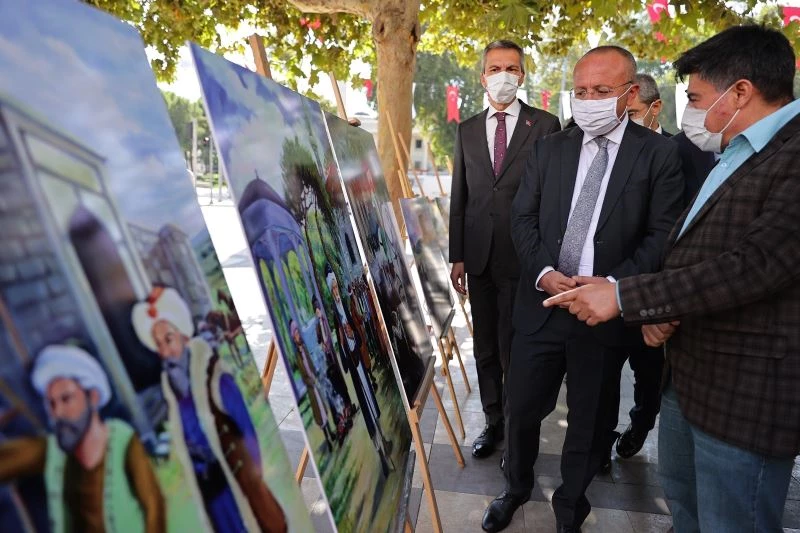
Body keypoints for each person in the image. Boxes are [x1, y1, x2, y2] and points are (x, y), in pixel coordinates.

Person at [543, 26, 800, 533]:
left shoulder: (791, 155)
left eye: (697, 99)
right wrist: (665, 310)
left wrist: (626, 296)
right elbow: (694, 245)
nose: (692, 113)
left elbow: (752, 265)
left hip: (744, 392)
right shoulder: (738, 150)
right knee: (687, 509)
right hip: (689, 374)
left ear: (740, 92)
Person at [482, 45, 683, 533]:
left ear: (629, 94)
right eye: (581, 91)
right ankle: (515, 487)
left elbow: (662, 234)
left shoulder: (658, 154)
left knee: (589, 423)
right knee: (520, 408)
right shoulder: (550, 148)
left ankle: (571, 506)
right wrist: (543, 271)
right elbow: (522, 218)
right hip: (543, 303)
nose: (588, 100)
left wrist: (612, 288)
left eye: (601, 91)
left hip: (602, 315)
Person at [449, 39, 561, 461]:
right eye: (495, 68)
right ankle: (493, 420)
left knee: (517, 347)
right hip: (478, 256)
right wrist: (457, 255)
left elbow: (554, 197)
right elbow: (460, 198)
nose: (503, 76)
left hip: (525, 257)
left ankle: (518, 424)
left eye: (511, 68)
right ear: (482, 77)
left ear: (522, 75)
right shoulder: (466, 129)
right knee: (485, 347)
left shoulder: (545, 125)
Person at [132, 286, 287, 533]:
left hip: (236, 489)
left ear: (183, 336)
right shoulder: (172, 392)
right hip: (211, 498)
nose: (165, 351)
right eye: (158, 344)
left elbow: (247, 432)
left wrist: (250, 480)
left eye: (168, 340)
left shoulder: (216, 378)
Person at [0, 344, 166, 533]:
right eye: (52, 404)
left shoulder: (123, 441)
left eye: (66, 399)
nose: (58, 413)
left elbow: (153, 507)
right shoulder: (54, 450)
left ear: (92, 397)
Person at [611, 73, 675, 462]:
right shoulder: (606, 147)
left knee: (648, 370)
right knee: (602, 369)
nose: (624, 121)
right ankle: (598, 440)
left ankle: (640, 424)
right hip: (607, 283)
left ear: (655, 108)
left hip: (652, 289)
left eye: (632, 113)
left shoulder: (677, 152)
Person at [289, 319, 338, 449]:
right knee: (319, 412)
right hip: (311, 388)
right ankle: (327, 438)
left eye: (298, 332)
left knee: (323, 408)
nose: (298, 335)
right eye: (296, 334)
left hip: (316, 383)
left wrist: (316, 374)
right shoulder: (297, 356)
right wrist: (311, 381)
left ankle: (331, 433)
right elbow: (304, 376)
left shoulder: (304, 348)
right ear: (294, 338)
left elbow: (310, 364)